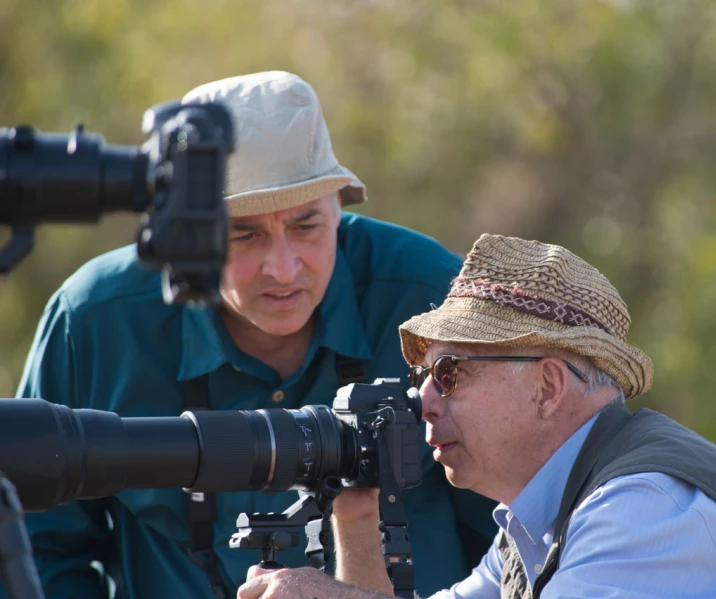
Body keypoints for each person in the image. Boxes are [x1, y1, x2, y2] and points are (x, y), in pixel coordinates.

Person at [7, 71, 497, 599]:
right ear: (190, 234)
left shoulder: (435, 299)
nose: (283, 268)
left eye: (305, 226)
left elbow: (520, 530)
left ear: (339, 208)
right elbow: (39, 544)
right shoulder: (95, 320)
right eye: (245, 234)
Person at [237, 234, 716, 599]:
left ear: (548, 386)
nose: (424, 398)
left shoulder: (645, 508)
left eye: (449, 373)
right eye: (423, 376)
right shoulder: (539, 519)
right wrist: (356, 512)